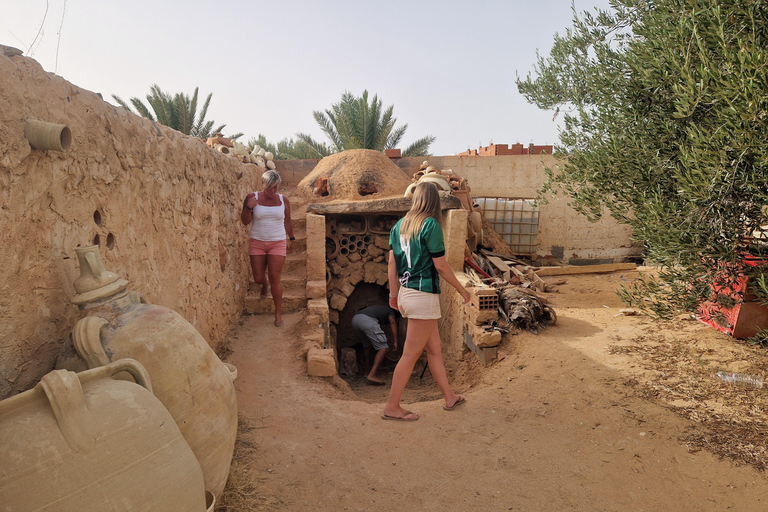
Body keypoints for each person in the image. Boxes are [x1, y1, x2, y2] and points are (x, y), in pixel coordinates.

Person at [382, 181, 471, 422]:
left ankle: (449, 396)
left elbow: (391, 264)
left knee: (434, 349)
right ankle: (392, 406)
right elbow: (440, 266)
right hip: (423, 296)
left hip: (405, 293)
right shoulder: (430, 225)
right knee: (410, 355)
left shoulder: (399, 226)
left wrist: (392, 294)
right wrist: (462, 289)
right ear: (434, 202)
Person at [241, 170, 295, 327]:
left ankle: (278, 314)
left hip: (277, 242)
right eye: (269, 187)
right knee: (258, 278)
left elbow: (288, 221)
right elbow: (244, 221)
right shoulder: (252, 197)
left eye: (275, 187)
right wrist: (248, 208)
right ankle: (264, 284)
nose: (272, 191)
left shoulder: (283, 200)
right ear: (263, 184)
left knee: (275, 277)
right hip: (257, 242)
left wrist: (291, 239)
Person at [351, 305, 400, 385]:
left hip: (355, 319)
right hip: (367, 321)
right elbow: (392, 322)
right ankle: (372, 375)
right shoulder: (390, 312)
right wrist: (395, 341)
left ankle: (367, 371)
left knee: (367, 345)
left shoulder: (379, 309)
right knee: (383, 348)